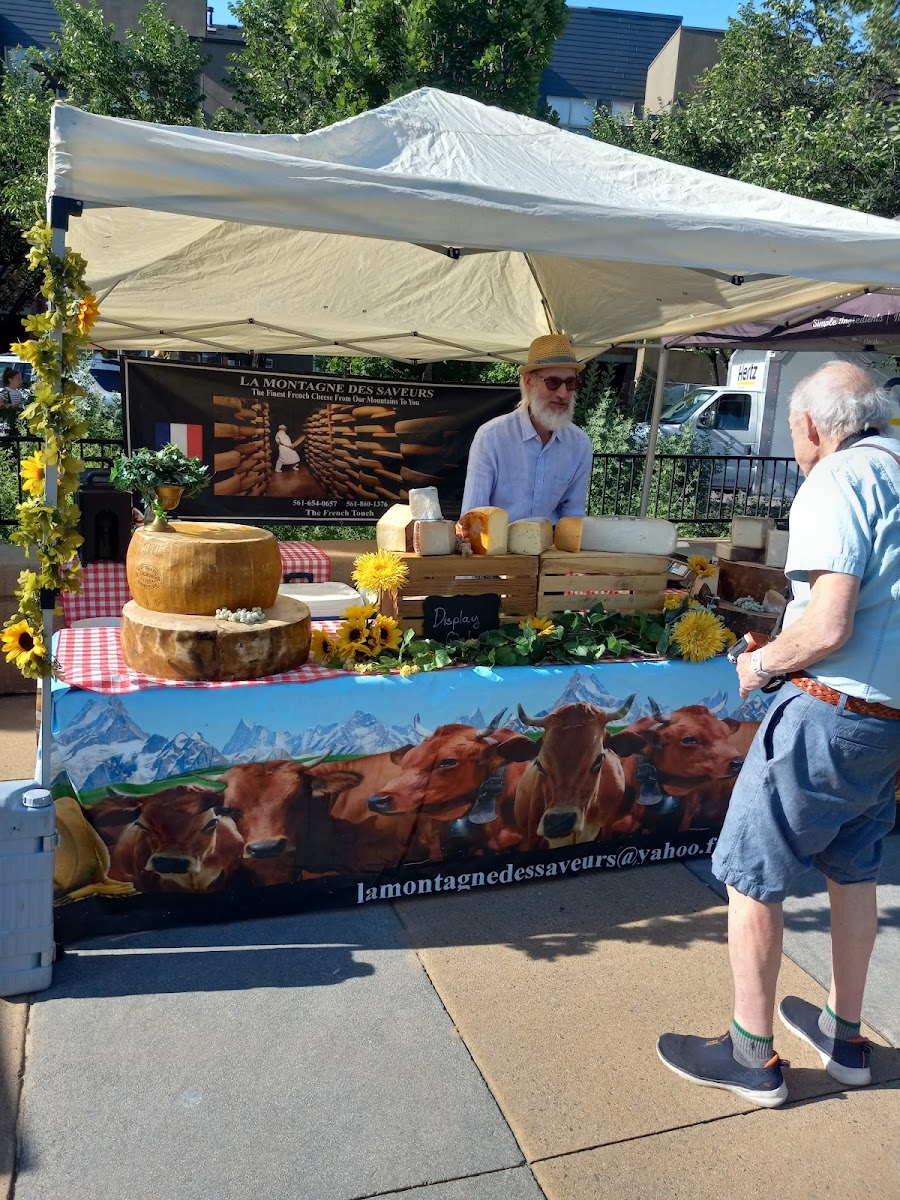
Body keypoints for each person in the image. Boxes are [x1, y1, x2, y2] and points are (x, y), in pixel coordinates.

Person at [657, 361, 900, 1108]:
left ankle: (751, 1054)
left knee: (750, 873)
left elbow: (828, 623)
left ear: (810, 427)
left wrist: (759, 663)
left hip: (829, 711)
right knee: (853, 865)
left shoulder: (835, 480)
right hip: (889, 723)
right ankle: (846, 1036)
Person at [460, 334, 593, 522]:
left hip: (551, 549)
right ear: (529, 381)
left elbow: (573, 513)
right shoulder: (491, 437)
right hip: (496, 549)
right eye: (553, 382)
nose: (563, 393)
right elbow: (473, 517)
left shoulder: (579, 444)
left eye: (571, 383)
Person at [0, 366, 25, 434]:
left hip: (17, 421)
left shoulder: (19, 393)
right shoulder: (5, 392)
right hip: (7, 423)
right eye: (18, 379)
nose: (21, 381)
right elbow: (1, 405)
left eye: (21, 379)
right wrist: (12, 405)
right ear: (10, 380)